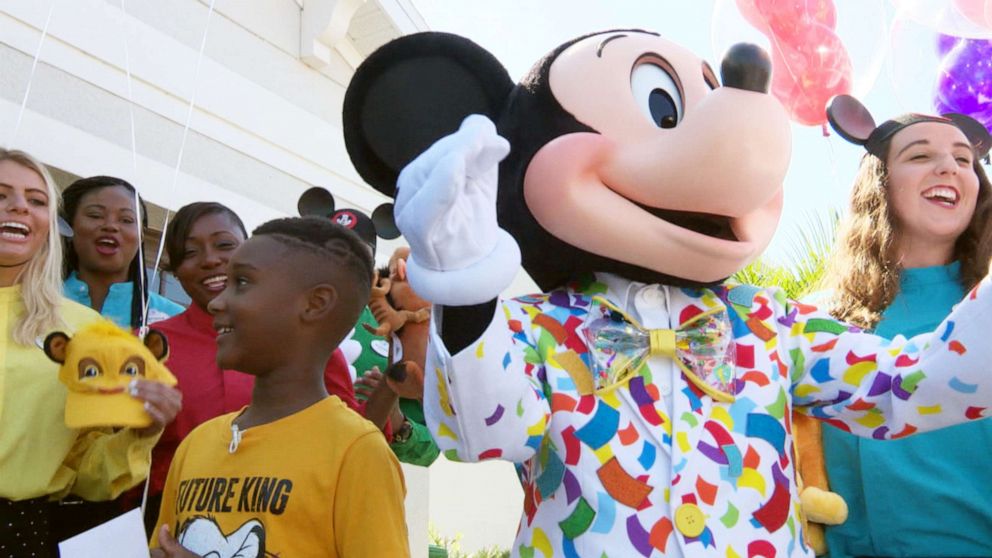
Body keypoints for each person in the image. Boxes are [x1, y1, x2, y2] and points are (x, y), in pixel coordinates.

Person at [150, 217, 408, 557]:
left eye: (242, 282)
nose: (217, 302)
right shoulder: (197, 444)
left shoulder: (356, 452)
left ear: (315, 304)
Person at [820, 111, 992, 556]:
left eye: (963, 159)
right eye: (920, 155)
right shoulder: (815, 321)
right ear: (878, 183)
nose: (950, 167)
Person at [134, 202, 361, 531]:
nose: (210, 259)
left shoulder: (307, 335)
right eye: (190, 252)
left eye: (225, 245)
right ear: (175, 268)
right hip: (170, 518)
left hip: (289, 517)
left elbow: (349, 430)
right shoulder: (147, 346)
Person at [0, 148, 180, 557]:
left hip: (20, 536)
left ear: (49, 224)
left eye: (36, 199)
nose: (18, 207)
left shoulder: (81, 331)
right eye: (2, 194)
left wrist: (142, 433)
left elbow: (88, 471)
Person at [61, 175, 184, 329]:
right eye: (95, 215)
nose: (111, 226)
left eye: (126, 220)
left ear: (141, 236)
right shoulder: (33, 303)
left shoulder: (172, 319)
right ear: (69, 226)